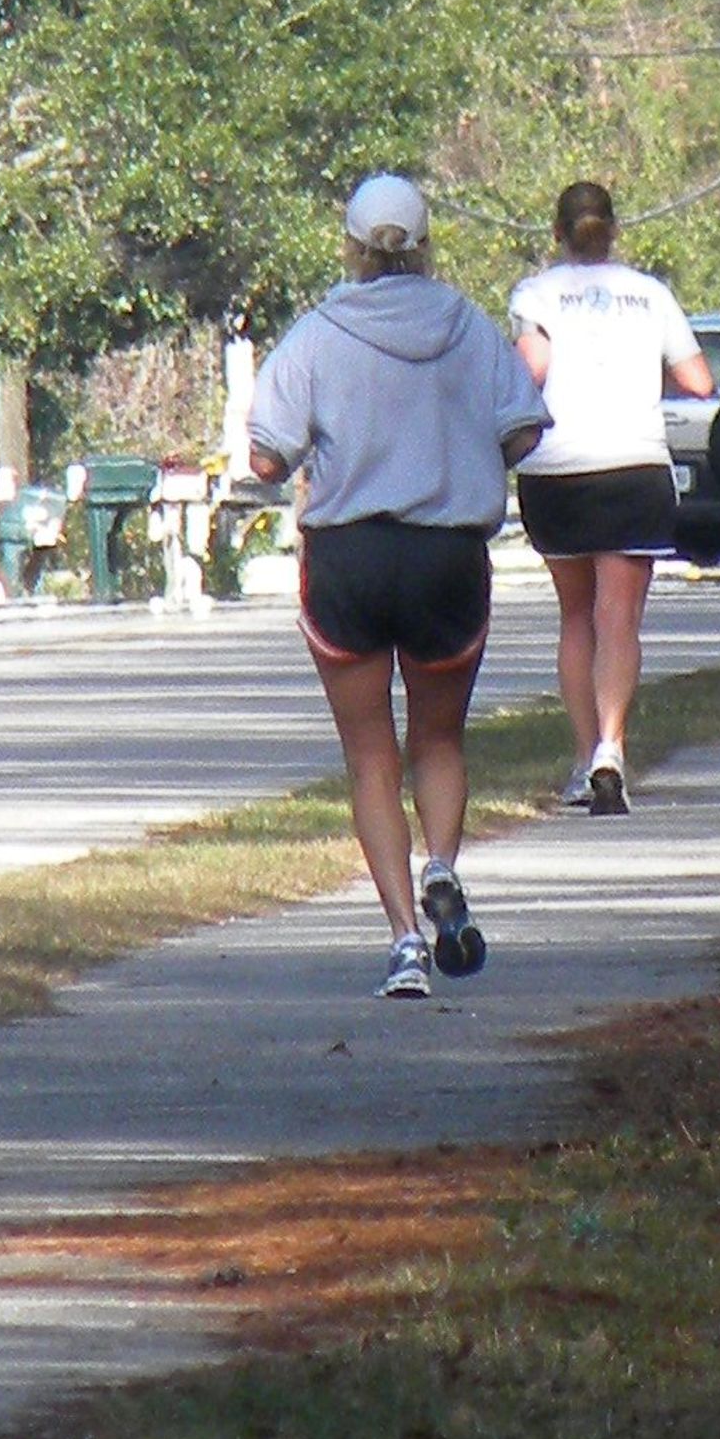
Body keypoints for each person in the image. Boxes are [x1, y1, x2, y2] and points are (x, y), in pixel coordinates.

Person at [244, 173, 550, 998]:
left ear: (351, 244)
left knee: (370, 755)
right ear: (425, 244)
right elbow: (522, 430)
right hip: (447, 559)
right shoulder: (470, 328)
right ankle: (442, 865)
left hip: (348, 558)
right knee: (440, 741)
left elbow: (268, 457)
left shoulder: (315, 334)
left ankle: (405, 943)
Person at [507, 180, 715, 813]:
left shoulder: (536, 294)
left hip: (557, 469)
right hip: (633, 465)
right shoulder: (650, 295)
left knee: (576, 617)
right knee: (618, 618)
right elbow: (699, 380)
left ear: (557, 233)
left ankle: (580, 758)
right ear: (614, 230)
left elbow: (530, 372)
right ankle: (612, 750)